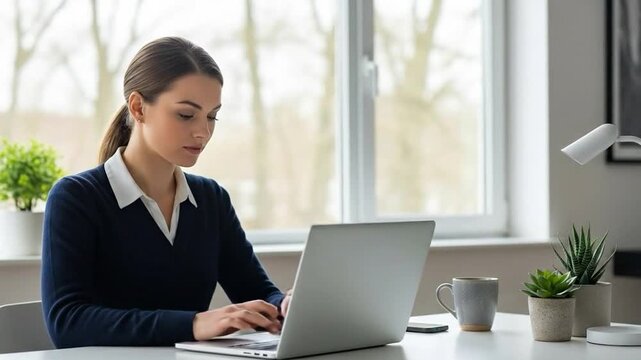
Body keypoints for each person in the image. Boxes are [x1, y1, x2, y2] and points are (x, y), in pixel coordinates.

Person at [41, 37, 292, 348]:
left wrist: (284, 305)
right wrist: (194, 324)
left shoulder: (211, 199)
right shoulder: (76, 198)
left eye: (212, 116)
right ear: (138, 107)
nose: (203, 132)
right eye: (186, 115)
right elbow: (68, 322)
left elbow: (256, 293)